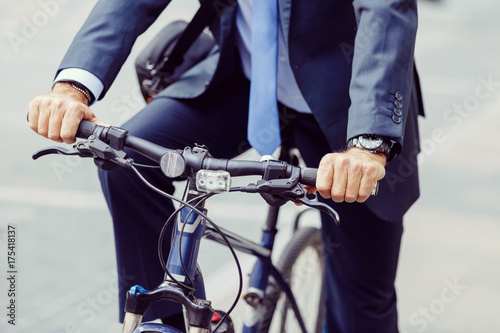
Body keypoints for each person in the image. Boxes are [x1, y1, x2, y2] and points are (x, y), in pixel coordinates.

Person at [28, 0, 424, 331]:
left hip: (353, 103)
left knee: (362, 305)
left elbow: (386, 11)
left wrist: (368, 144)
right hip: (243, 80)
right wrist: (72, 87)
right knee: (129, 160)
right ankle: (171, 323)